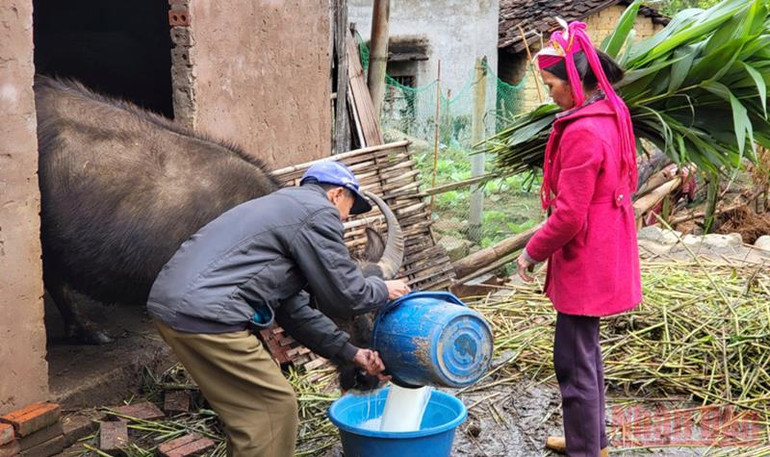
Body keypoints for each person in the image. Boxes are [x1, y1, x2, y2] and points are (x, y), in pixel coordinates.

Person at [146, 161, 411, 457]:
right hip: (207, 315)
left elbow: (294, 310)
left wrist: (351, 353)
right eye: (350, 206)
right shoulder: (319, 212)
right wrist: (382, 289)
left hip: (174, 308)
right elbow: (346, 295)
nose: (347, 218)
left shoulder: (282, 211)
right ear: (337, 194)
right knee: (275, 406)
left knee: (248, 417)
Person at [515, 21, 642, 457]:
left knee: (572, 361)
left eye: (551, 84)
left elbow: (569, 215)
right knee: (585, 355)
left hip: (587, 258)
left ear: (574, 82)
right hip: (606, 250)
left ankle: (585, 450)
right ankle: (591, 441)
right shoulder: (610, 115)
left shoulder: (584, 130)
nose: (548, 93)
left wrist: (531, 252)